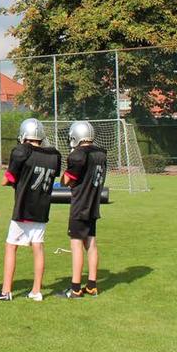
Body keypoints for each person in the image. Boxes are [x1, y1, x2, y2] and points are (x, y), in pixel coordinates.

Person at [0, 118, 61, 302]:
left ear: (24, 135)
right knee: (38, 248)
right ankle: (36, 291)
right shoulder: (53, 155)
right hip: (42, 208)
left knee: (11, 246)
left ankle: (6, 291)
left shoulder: (22, 151)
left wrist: (16, 182)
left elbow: (6, 180)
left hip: (24, 207)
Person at [58, 120, 107, 299]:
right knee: (91, 244)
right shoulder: (101, 153)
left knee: (76, 244)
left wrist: (66, 171)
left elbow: (66, 181)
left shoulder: (78, 155)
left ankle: (76, 288)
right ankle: (92, 285)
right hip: (93, 203)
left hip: (80, 204)